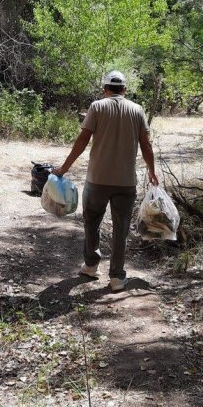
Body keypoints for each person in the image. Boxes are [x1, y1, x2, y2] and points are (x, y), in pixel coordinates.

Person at [54, 70, 159, 292]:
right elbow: (146, 145)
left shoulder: (97, 106)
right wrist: (152, 171)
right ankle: (117, 278)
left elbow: (83, 139)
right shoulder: (137, 110)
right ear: (125, 90)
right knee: (121, 229)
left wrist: (65, 168)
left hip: (97, 180)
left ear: (105, 89)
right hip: (126, 182)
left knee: (92, 222)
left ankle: (91, 266)